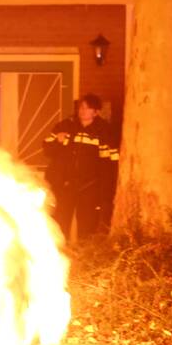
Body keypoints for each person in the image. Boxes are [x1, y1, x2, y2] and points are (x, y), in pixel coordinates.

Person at [43, 94, 119, 240]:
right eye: (81, 107)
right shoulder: (65, 125)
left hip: (89, 188)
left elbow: (109, 164)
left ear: (96, 112)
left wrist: (105, 191)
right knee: (60, 224)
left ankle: (82, 257)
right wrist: (58, 141)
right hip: (64, 185)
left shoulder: (104, 132)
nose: (82, 111)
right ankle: (60, 256)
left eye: (87, 108)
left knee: (87, 227)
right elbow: (47, 149)